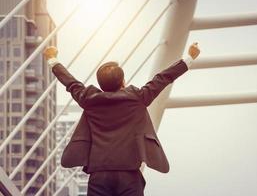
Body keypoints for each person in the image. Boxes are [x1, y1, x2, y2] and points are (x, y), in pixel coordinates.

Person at [43, 43, 200, 196]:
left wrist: (52, 58)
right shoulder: (138, 98)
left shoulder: (88, 99)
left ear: (101, 85)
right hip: (129, 175)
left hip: (99, 176)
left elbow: (71, 82)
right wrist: (189, 58)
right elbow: (163, 78)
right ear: (123, 82)